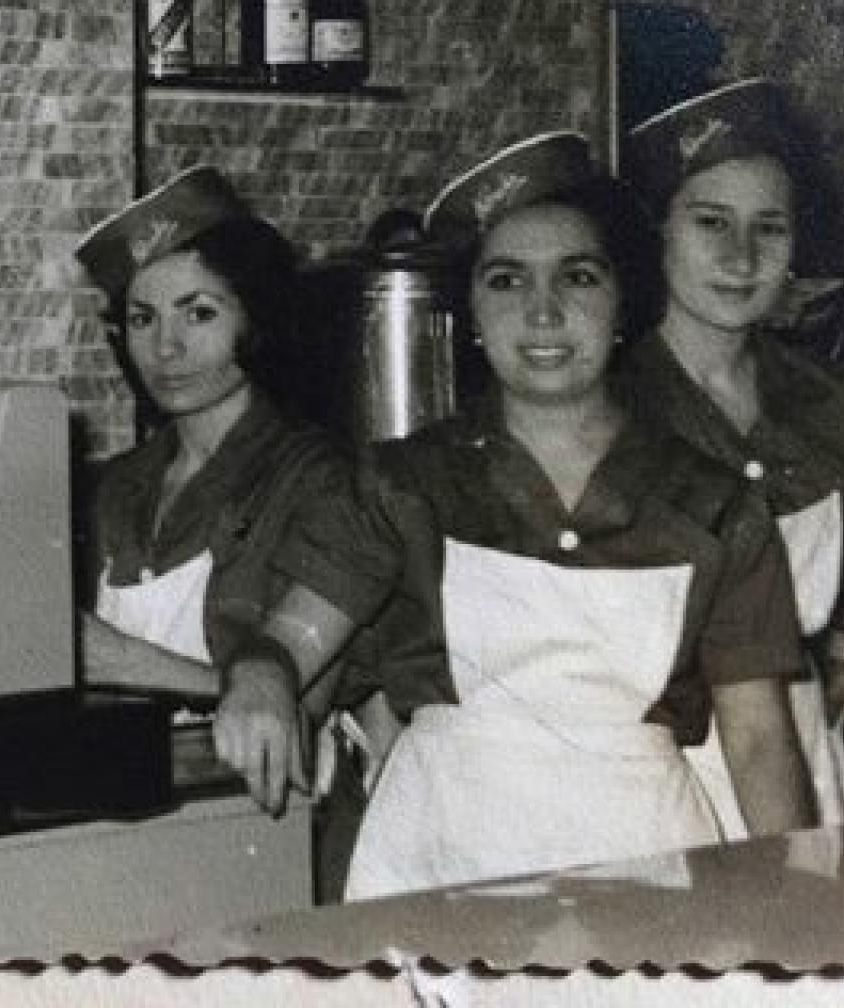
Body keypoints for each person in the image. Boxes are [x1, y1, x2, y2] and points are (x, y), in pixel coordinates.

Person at [303, 132, 814, 901]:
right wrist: (259, 681)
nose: (542, 312)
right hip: (443, 849)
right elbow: (291, 641)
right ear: (471, 310)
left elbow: (759, 735)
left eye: (578, 277)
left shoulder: (713, 502)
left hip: (646, 855)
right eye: (506, 281)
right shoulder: (407, 482)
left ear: (621, 300)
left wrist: (798, 902)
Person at [73, 166, 388, 887]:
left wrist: (122, 663)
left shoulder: (324, 480)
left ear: (255, 315)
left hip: (274, 839)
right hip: (134, 833)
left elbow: (295, 715)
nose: (167, 348)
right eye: (143, 319)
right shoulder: (112, 487)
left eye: (199, 313)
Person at [618, 78, 844, 834]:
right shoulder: (613, 410)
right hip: (665, 763)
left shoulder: (831, 396)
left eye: (769, 228)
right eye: (710, 223)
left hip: (800, 747)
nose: (740, 256)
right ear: (659, 233)